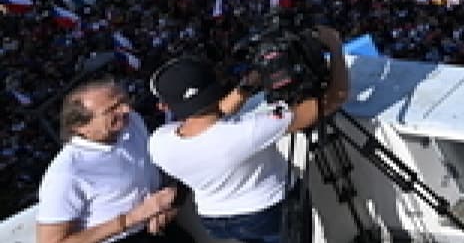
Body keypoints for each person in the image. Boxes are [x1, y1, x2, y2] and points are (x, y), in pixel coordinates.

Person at [146, 27, 350, 243]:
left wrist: (250, 83)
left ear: (164, 106)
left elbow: (211, 116)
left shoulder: (158, 143)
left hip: (216, 220)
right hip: (269, 212)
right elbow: (334, 98)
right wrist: (335, 47)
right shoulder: (248, 131)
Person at [34, 79, 184, 243]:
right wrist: (132, 218)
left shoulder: (132, 122)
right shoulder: (67, 173)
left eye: (125, 101)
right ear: (81, 126)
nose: (126, 109)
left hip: (162, 223)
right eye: (112, 109)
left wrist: (166, 202)